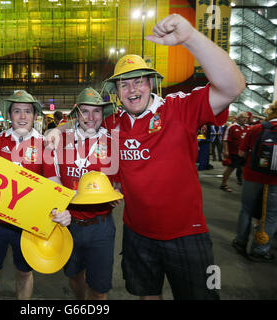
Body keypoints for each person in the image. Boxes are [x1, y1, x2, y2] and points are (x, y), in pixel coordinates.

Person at [47, 13, 245, 300]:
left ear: (151, 83)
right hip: (137, 232)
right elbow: (84, 119)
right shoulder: (114, 123)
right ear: (116, 92)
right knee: (146, 295)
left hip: (187, 234)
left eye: (139, 81)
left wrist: (190, 37)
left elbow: (232, 87)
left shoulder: (179, 109)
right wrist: (59, 129)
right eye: (124, 84)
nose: (132, 89)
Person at [0, 90, 71, 300]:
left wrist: (59, 208)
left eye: (27, 111)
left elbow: (54, 180)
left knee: (24, 274)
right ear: (9, 115)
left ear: (34, 115)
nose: (22, 116)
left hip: (28, 225)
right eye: (17, 111)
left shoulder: (44, 144)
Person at [44, 87, 121, 300]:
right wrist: (58, 208)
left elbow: (121, 177)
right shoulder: (59, 139)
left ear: (102, 114)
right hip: (69, 226)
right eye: (85, 111)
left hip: (101, 226)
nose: (90, 117)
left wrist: (117, 191)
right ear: (77, 113)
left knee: (99, 289)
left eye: (96, 111)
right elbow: (52, 179)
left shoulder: (112, 141)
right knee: (74, 276)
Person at [232, 101, 277, 262]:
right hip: (275, 181)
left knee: (246, 209)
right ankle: (260, 249)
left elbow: (242, 152)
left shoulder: (256, 129)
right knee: (271, 215)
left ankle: (240, 241)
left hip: (252, 176)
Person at [220, 112, 250, 191]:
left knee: (245, 170)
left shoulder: (248, 128)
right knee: (230, 169)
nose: (245, 119)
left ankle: (245, 186)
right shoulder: (232, 127)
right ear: (238, 118)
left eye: (246, 118)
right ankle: (223, 184)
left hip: (244, 154)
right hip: (234, 153)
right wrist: (226, 151)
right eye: (243, 117)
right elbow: (225, 140)